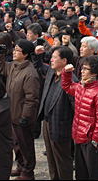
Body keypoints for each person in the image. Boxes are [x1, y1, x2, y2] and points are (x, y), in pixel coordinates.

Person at [0, 39, 40, 181]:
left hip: (22, 115)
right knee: (16, 143)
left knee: (25, 144)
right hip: (12, 112)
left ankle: (28, 171)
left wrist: (25, 116)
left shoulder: (30, 73)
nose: (14, 52)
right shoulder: (14, 65)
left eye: (17, 50)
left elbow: (31, 99)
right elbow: (1, 67)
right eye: (14, 50)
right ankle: (20, 165)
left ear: (25, 54)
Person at [62, 55, 98, 180]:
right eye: (82, 68)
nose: (82, 71)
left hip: (90, 140)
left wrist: (96, 141)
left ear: (94, 73)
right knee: (81, 172)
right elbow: (68, 87)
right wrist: (66, 73)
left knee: (94, 173)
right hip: (79, 136)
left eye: (85, 69)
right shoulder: (81, 86)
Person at [37, 45, 76, 180]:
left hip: (61, 124)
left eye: (54, 58)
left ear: (64, 61)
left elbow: (75, 108)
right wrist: (37, 55)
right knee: (51, 159)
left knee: (62, 160)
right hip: (47, 121)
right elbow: (39, 66)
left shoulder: (71, 80)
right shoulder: (51, 73)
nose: (51, 60)